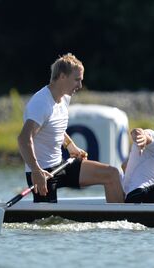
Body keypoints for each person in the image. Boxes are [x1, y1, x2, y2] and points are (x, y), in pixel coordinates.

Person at [17, 53, 124, 203]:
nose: (80, 86)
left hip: (61, 165)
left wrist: (70, 146)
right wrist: (36, 170)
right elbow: (23, 139)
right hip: (43, 173)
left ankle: (121, 221)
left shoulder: (64, 97)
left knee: (112, 174)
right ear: (62, 77)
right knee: (47, 223)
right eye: (77, 80)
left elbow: (54, 127)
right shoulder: (40, 104)